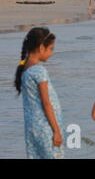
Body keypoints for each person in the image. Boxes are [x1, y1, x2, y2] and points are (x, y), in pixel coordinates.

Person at [14, 27, 64, 159]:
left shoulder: (25, 69)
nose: (51, 53)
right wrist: (57, 131)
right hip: (46, 128)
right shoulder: (39, 71)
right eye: (51, 49)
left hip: (32, 128)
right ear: (41, 47)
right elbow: (46, 103)